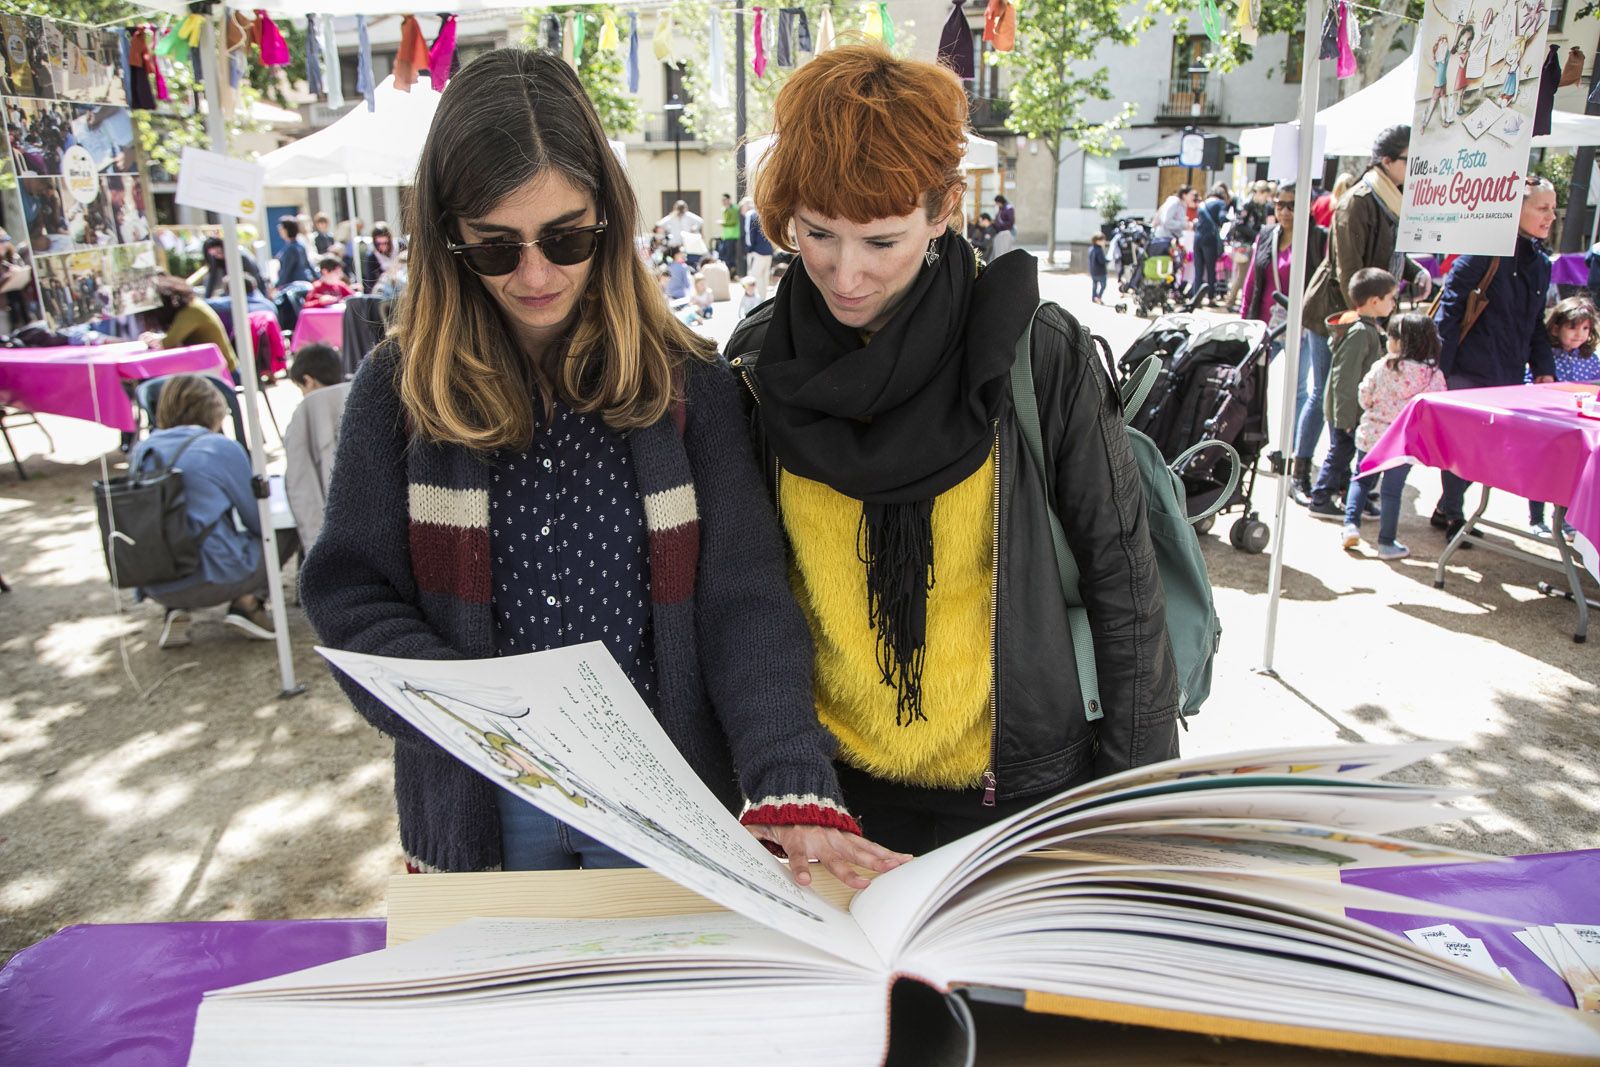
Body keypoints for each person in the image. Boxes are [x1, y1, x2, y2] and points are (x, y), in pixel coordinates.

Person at [298, 48, 905, 884]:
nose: (537, 273)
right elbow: (349, 590)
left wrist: (788, 777)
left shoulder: (688, 384)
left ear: (610, 220)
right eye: (495, 248)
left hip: (671, 794)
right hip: (488, 801)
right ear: (448, 240)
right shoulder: (398, 391)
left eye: (566, 236)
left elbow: (745, 599)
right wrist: (477, 714)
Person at [723, 44, 1178, 855]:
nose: (845, 272)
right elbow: (745, 591)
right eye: (818, 233)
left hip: (1019, 793)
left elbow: (1123, 580)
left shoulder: (1038, 352)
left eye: (882, 240)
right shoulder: (760, 364)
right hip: (830, 796)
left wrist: (1132, 815)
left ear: (942, 212)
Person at [1299, 126, 1432, 507]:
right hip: (1337, 311)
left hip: (1369, 311)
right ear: (1387, 161)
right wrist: (1364, 317)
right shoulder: (1358, 200)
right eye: (1409, 159)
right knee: (1325, 394)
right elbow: (1349, 270)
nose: (1414, 167)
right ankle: (1302, 470)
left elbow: (1391, 255)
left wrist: (1414, 272)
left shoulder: (1395, 199)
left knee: (1356, 400)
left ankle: (1340, 481)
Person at [1428, 177, 1557, 542]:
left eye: (1553, 209)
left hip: (1509, 373)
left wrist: (1544, 368)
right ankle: (1452, 512)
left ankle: (1446, 508)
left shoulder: (1541, 263)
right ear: (1516, 208)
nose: (1550, 217)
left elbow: (1535, 324)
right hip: (1468, 368)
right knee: (1465, 445)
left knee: (1486, 449)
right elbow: (1449, 313)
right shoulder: (1482, 251)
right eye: (1542, 208)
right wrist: (1441, 370)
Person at [130, 374, 275, 649]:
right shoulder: (220, 447)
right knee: (279, 530)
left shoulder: (142, 451)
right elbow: (257, 519)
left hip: (154, 580)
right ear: (214, 408)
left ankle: (175, 610)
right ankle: (247, 602)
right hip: (215, 576)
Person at [1343, 313, 1446, 560]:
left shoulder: (1383, 366)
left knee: (1361, 479)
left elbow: (1364, 396)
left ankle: (1350, 525)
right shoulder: (1432, 375)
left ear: (1401, 341)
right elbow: (1438, 407)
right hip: (1403, 445)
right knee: (1392, 491)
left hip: (1372, 436)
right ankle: (1386, 543)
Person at [1307, 268, 1398, 518]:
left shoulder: (1366, 328)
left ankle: (1351, 497)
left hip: (1352, 410)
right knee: (1340, 454)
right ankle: (1321, 497)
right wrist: (1346, 418)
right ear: (1374, 301)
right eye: (1391, 298)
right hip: (1347, 411)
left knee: (1347, 454)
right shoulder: (1360, 332)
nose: (1394, 303)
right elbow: (1343, 379)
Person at [1528, 297, 1600, 537]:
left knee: (1573, 475)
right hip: (1548, 428)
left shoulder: (1591, 360)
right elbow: (1529, 385)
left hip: (1579, 429)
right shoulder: (1544, 356)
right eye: (1573, 327)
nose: (1579, 334)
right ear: (1556, 326)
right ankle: (1536, 519)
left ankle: (1568, 519)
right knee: (1541, 473)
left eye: (1585, 328)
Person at [283, 343, 351, 549]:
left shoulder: (304, 415)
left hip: (328, 531)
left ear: (308, 381)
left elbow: (300, 483)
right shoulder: (361, 396)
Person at [142, 275, 237, 374]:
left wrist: (154, 340)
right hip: (217, 368)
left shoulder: (190, 312)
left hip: (226, 372)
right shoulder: (193, 305)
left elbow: (168, 343)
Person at [1190, 184, 1229, 305]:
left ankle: (1196, 298)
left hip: (1197, 238)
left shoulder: (1203, 204)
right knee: (1211, 269)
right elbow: (1222, 218)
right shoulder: (1221, 204)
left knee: (1198, 269)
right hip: (1210, 239)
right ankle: (1210, 297)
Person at [199, 236, 270, 301]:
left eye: (219, 251)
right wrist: (207, 299)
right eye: (214, 254)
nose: (218, 255)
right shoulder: (216, 262)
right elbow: (212, 280)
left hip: (251, 290)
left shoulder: (240, 257)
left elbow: (254, 278)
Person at [742, 197, 773, 299]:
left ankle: (758, 302)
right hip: (768, 250)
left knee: (755, 276)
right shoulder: (766, 214)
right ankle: (763, 300)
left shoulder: (750, 214)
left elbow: (749, 233)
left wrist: (749, 249)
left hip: (757, 251)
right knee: (764, 277)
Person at [275, 218, 315, 290]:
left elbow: (286, 270)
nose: (279, 230)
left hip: (294, 287)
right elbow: (308, 264)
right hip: (304, 283)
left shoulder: (290, 249)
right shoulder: (300, 246)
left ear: (286, 230)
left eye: (281, 228)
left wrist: (277, 286)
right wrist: (317, 277)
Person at [362, 222, 400, 294]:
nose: (383, 246)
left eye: (385, 243)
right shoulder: (372, 256)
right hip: (386, 290)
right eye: (379, 243)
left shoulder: (400, 246)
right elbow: (370, 281)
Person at [717, 192, 740, 264]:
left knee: (730, 258)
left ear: (729, 200)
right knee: (724, 257)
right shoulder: (725, 209)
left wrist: (722, 223)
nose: (723, 202)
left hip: (733, 237)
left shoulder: (734, 208)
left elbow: (733, 222)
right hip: (726, 237)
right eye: (722, 200)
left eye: (725, 200)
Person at [990, 194, 1016, 258]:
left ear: (1000, 202)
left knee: (1005, 251)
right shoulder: (1001, 208)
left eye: (997, 203)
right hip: (1001, 232)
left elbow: (1010, 222)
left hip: (1006, 232)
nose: (996, 205)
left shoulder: (1008, 208)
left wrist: (999, 225)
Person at [1087, 233, 1108, 303]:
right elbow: (1102, 261)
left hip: (1093, 271)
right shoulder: (1099, 250)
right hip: (1101, 272)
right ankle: (1098, 297)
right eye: (1103, 240)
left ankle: (1094, 297)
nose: (1104, 241)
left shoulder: (1090, 249)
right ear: (1097, 241)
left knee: (1094, 286)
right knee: (1103, 285)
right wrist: (1107, 260)